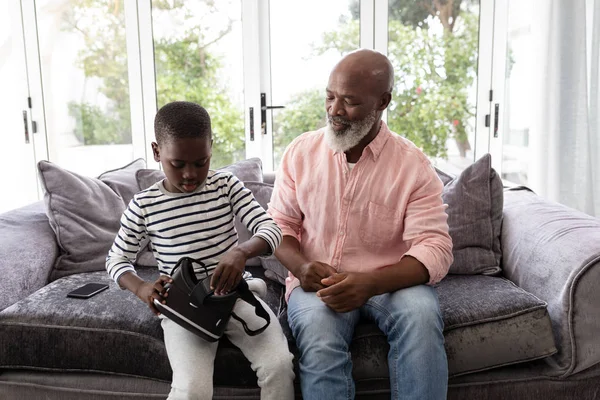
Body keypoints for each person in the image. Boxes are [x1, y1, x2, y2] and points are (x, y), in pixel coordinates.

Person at [268, 49, 453, 400]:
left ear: (383, 101)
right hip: (318, 281)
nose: (334, 111)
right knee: (319, 334)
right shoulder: (300, 153)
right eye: (330, 97)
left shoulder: (413, 166)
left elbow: (435, 247)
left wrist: (369, 283)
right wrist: (302, 266)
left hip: (390, 282)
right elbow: (278, 225)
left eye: (350, 102)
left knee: (421, 317)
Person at [106, 101, 295, 400]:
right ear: (157, 152)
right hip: (184, 306)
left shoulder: (226, 185)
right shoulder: (143, 204)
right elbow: (116, 258)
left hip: (234, 294)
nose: (191, 175)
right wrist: (141, 287)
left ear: (211, 148)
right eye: (177, 164)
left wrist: (241, 252)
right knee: (192, 390)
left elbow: (272, 229)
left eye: (201, 162)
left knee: (280, 366)